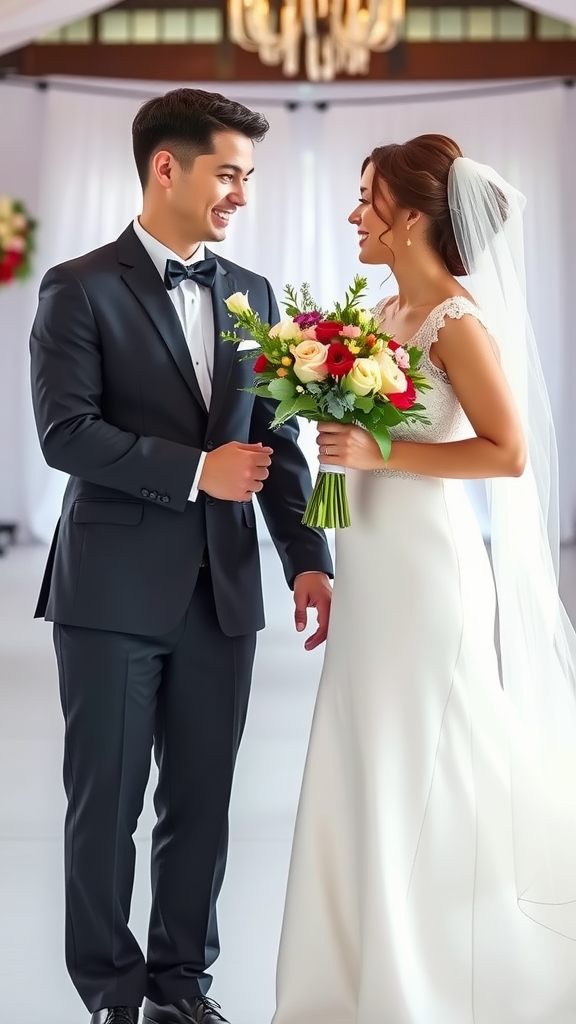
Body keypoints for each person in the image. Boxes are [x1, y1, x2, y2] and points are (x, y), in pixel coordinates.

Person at [29, 88, 333, 1024]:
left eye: (248, 175)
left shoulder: (253, 293)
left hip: (223, 598)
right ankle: (112, 996)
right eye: (229, 172)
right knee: (106, 809)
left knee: (201, 810)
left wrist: (307, 558)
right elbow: (65, 435)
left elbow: (277, 446)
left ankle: (180, 991)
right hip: (110, 595)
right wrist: (198, 470)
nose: (242, 191)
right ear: (169, 166)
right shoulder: (78, 286)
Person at [271, 134, 576, 1024]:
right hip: (371, 572)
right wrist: (323, 546)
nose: (354, 213)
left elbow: (508, 452)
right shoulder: (381, 312)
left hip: (428, 579)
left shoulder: (457, 322)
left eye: (367, 197)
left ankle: (442, 974)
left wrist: (382, 449)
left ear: (411, 216)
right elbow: (351, 453)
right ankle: (356, 973)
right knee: (365, 757)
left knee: (427, 759)